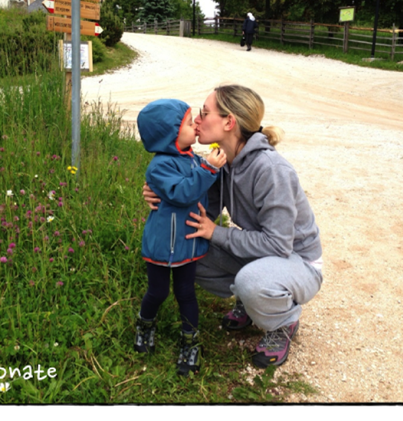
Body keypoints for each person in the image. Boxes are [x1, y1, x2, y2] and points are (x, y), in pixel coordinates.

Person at [143, 85, 323, 369]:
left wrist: (217, 233)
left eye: (204, 113)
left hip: (298, 262)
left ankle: (283, 321)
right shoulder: (221, 162)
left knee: (250, 281)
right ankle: (251, 305)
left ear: (229, 122)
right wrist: (162, 193)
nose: (197, 121)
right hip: (265, 254)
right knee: (186, 253)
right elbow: (199, 209)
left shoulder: (271, 170)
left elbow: (278, 244)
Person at [135, 98, 227, 376]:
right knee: (158, 291)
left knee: (186, 293)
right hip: (161, 247)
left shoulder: (192, 159)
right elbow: (181, 193)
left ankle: (190, 342)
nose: (196, 124)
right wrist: (208, 169)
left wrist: (209, 166)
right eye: (189, 122)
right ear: (170, 134)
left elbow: (202, 185)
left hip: (187, 245)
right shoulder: (159, 167)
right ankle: (144, 324)